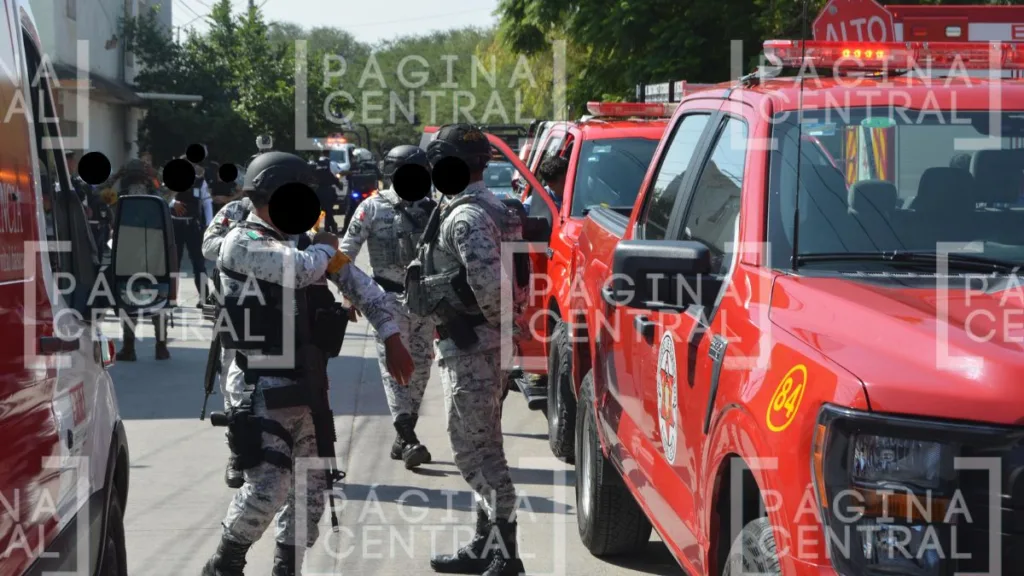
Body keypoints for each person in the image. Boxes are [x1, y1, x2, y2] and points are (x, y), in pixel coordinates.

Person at [202, 151, 414, 576]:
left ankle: (288, 566)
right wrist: (322, 247)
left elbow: (362, 286)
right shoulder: (241, 242)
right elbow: (297, 271)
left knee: (311, 493)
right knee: (268, 487)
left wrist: (391, 335)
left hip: (309, 384)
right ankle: (224, 564)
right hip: (260, 383)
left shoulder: (308, 245)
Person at [410, 124, 527, 576]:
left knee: (475, 452)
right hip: (480, 343)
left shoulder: (466, 217)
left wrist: (487, 333)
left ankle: (505, 553)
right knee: (482, 443)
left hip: (473, 346)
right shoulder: (487, 206)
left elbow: (494, 292)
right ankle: (485, 545)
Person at [340, 144, 437, 470]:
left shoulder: (434, 209)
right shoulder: (371, 208)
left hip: (425, 302)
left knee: (420, 370)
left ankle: (402, 434)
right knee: (395, 372)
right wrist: (349, 293)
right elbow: (343, 254)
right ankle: (409, 439)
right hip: (385, 300)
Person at [110, 157, 173, 361]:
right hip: (155, 253)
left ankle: (129, 348)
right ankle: (161, 346)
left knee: (127, 296)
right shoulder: (157, 197)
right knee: (159, 295)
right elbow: (172, 189)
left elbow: (95, 193)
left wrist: (117, 175)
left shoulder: (117, 197)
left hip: (127, 254)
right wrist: (156, 173)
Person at [170, 157, 214, 305]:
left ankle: (204, 298)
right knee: (173, 263)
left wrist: (209, 223)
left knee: (198, 263)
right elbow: (163, 197)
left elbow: (207, 202)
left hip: (193, 226)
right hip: (175, 226)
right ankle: (171, 298)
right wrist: (173, 203)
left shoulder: (200, 182)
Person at [313, 157, 340, 233]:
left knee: (326, 211)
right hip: (327, 193)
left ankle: (328, 227)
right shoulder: (326, 172)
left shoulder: (316, 172)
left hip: (322, 192)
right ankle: (331, 227)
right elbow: (336, 181)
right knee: (328, 211)